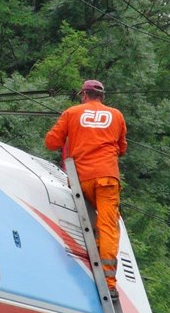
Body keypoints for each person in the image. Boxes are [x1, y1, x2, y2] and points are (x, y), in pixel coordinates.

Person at [44, 79, 127, 298]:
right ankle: (108, 281)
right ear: (102, 96)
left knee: (94, 222)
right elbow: (122, 148)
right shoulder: (116, 115)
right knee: (108, 225)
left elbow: (51, 142)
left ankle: (92, 257)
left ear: (83, 94)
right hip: (107, 178)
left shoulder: (72, 113)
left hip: (81, 180)